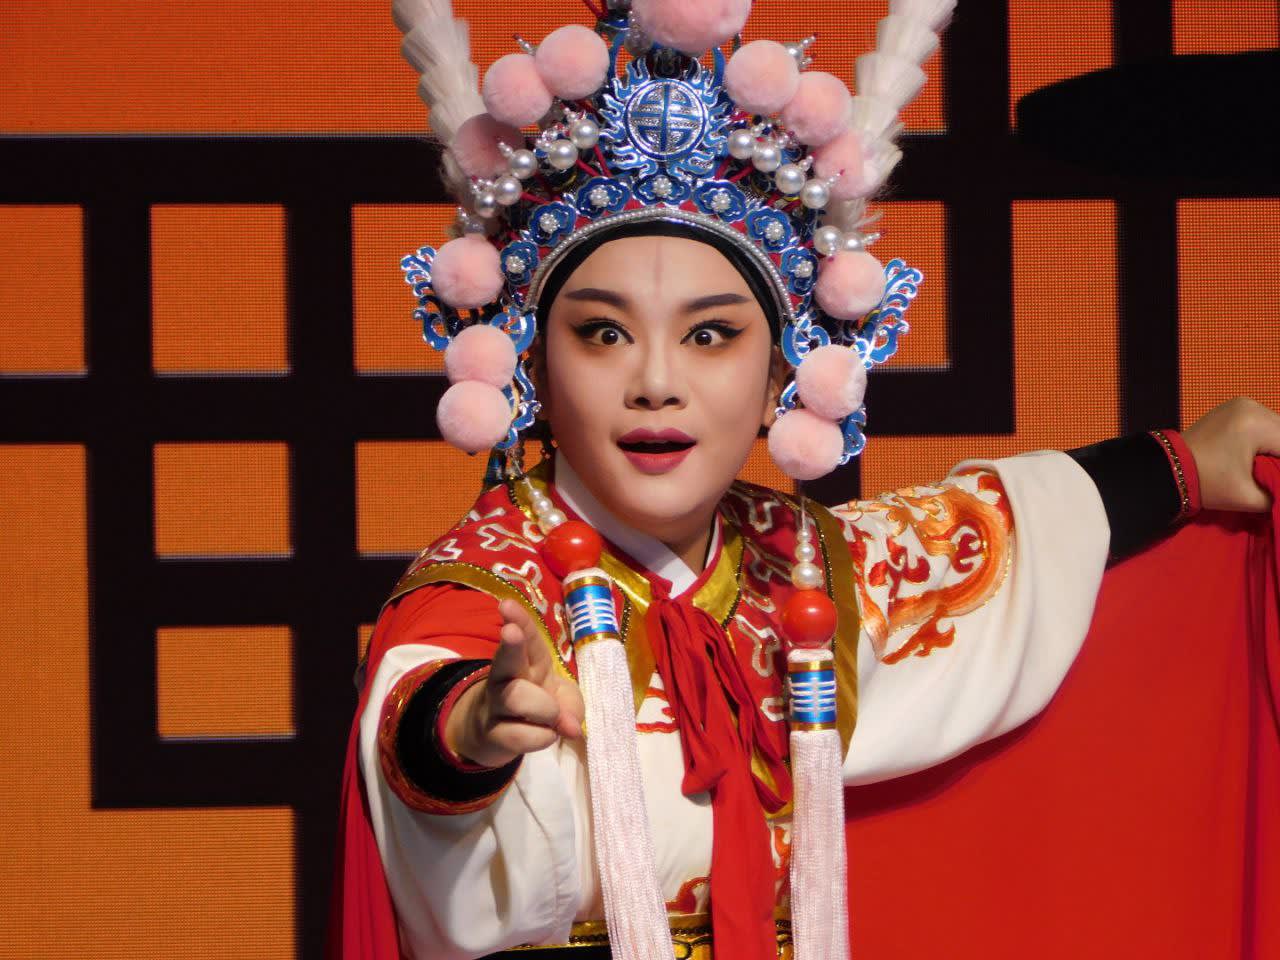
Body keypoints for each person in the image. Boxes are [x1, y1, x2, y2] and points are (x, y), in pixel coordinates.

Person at [328, 2, 1280, 958]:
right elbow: (422, 713)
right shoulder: (487, 584)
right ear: (531, 362)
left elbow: (986, 539)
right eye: (603, 332)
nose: (656, 382)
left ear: (784, 372)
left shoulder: (801, 568)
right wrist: (473, 732)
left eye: (711, 335)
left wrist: (1183, 465)